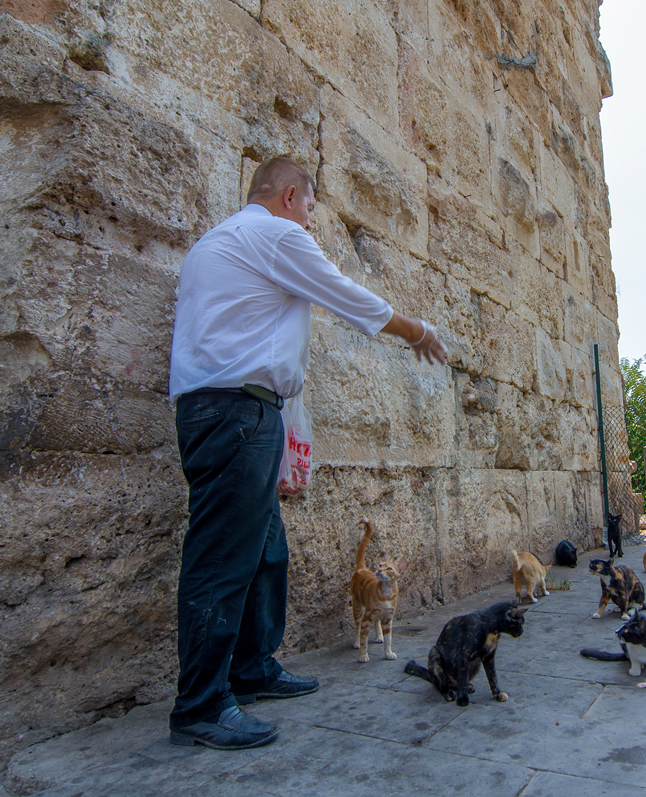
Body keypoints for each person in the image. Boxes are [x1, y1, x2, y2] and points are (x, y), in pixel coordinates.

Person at [166, 156, 447, 750]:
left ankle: (252, 667)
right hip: (237, 414)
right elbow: (343, 294)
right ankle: (201, 705)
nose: (312, 224)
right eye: (312, 209)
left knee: (266, 550)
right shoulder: (274, 233)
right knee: (222, 558)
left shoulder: (217, 242)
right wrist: (416, 330)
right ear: (290, 196)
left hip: (229, 412)